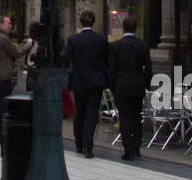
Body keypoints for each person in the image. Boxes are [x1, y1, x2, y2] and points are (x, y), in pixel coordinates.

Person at [64, 9, 109, 158]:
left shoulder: (73, 40)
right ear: (93, 22)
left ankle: (79, 144)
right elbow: (107, 60)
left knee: (80, 112)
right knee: (91, 113)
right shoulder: (101, 39)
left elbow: (67, 60)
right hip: (95, 82)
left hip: (79, 81)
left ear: (81, 22)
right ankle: (88, 145)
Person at [107, 15, 152, 161]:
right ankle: (136, 147)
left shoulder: (116, 46)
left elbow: (112, 70)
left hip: (121, 86)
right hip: (137, 86)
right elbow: (148, 69)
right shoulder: (143, 45)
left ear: (123, 28)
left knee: (125, 118)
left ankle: (127, 148)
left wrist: (113, 86)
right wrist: (145, 84)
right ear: (135, 28)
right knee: (137, 117)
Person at [0, 14, 31, 145]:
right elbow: (15, 53)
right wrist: (27, 46)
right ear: (0, 25)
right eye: (8, 23)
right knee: (0, 107)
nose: (10, 25)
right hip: (2, 76)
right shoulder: (2, 38)